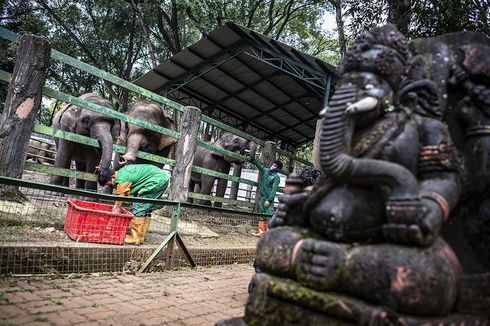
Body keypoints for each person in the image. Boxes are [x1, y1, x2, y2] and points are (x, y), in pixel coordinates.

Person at [97, 164, 170, 245]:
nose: (111, 186)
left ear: (113, 177)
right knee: (146, 208)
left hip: (156, 180)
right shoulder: (122, 172)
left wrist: (109, 226)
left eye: (109, 183)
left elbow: (118, 205)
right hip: (162, 177)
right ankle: (141, 237)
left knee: (138, 207)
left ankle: (135, 238)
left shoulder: (122, 180)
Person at [249, 158, 283, 237]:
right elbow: (259, 166)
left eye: (274, 166)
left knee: (269, 216)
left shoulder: (276, 177)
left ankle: (270, 234)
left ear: (277, 169)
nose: (272, 166)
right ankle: (261, 233)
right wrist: (252, 160)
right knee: (262, 215)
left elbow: (274, 190)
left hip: (268, 199)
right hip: (262, 197)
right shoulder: (266, 171)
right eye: (272, 164)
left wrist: (269, 200)